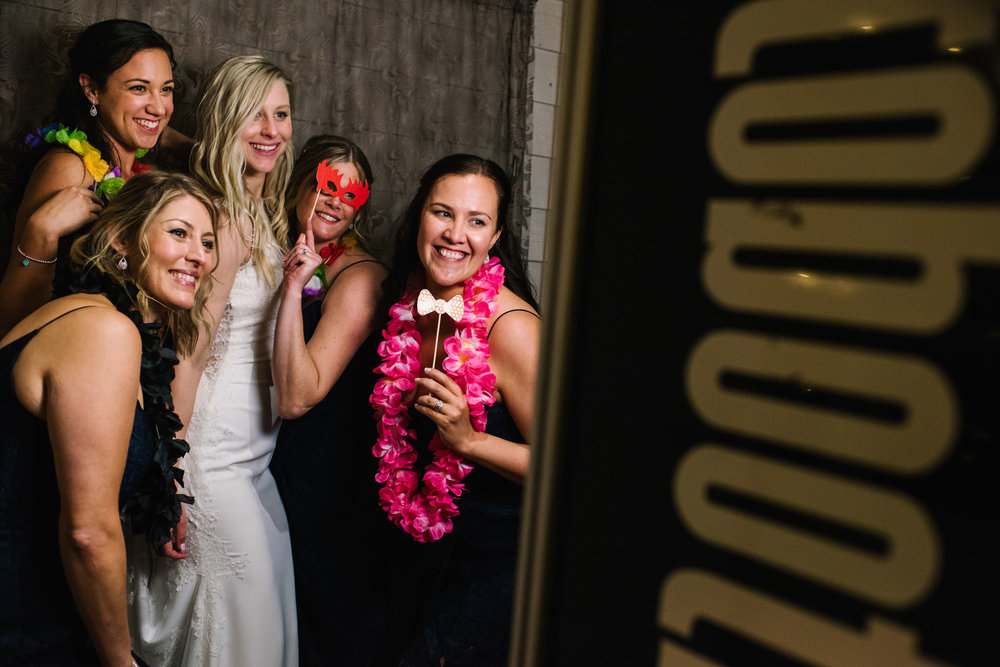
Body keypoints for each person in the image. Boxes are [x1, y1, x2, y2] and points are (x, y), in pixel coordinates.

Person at [0, 171, 217, 666]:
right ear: (122, 238)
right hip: (21, 622)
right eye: (179, 232)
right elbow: (88, 531)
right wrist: (120, 662)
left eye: (207, 242)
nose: (199, 255)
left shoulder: (88, 316)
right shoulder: (104, 331)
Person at [127, 55, 297, 666]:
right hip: (212, 461)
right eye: (255, 113)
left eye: (281, 114)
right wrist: (170, 479)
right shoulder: (221, 220)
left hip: (256, 463)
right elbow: (190, 355)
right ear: (225, 120)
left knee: (263, 634)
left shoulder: (263, 213)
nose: (272, 129)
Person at [375, 154, 540, 666]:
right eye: (443, 213)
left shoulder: (512, 329)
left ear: (495, 237)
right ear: (419, 216)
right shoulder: (410, 302)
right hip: (430, 553)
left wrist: (470, 441)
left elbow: (571, 473)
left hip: (501, 565)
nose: (455, 234)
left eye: (476, 221)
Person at [269, 135, 408, 664]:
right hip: (280, 458)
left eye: (350, 194)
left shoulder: (358, 277)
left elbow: (299, 397)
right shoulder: (286, 250)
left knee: (319, 622)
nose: (335, 200)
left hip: (326, 476)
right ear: (300, 182)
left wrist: (290, 289)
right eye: (326, 185)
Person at [1, 18, 186, 338]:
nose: (158, 106)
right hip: (72, 357)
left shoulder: (150, 175)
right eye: (139, 88)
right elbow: (12, 316)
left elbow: (229, 168)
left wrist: (170, 138)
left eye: (166, 90)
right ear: (91, 89)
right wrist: (39, 234)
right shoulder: (70, 168)